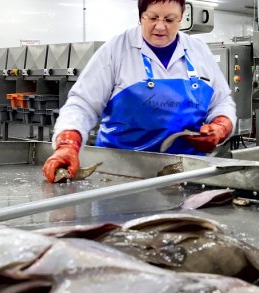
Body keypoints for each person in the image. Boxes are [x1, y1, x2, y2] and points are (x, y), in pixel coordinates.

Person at [43, 0, 237, 183]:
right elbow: (82, 104)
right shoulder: (116, 49)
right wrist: (68, 144)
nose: (160, 27)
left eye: (169, 20)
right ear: (140, 15)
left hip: (188, 174)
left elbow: (222, 102)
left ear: (181, 17)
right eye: (152, 18)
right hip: (121, 175)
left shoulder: (198, 50)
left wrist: (221, 126)